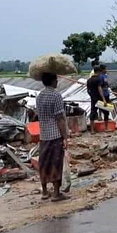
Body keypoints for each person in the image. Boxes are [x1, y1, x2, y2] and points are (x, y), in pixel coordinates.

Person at [36, 72, 70, 202]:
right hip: (55, 134)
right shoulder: (56, 95)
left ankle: (45, 192)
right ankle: (56, 193)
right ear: (52, 81)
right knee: (56, 162)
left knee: (44, 162)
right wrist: (65, 136)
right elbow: (60, 118)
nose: (57, 82)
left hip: (44, 134)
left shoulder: (40, 96)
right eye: (56, 79)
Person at [87, 66, 109, 133]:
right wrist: (104, 99)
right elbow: (100, 89)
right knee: (106, 111)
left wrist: (91, 96)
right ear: (99, 72)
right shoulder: (98, 79)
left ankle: (92, 130)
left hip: (93, 98)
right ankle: (106, 128)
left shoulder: (89, 80)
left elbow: (88, 90)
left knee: (93, 113)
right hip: (99, 98)